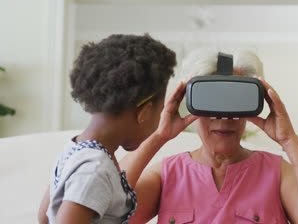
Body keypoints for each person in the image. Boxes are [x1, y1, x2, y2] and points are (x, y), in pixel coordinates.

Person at [123, 50, 298, 224]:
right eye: (212, 102)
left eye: (235, 102)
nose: (225, 117)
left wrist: (289, 140)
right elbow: (106, 211)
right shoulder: (168, 174)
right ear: (191, 104)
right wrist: (158, 137)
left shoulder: (276, 172)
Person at [38, 34, 198, 224]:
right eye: (159, 109)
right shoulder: (96, 169)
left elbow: (44, 216)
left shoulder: (75, 149)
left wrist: (160, 135)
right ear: (144, 112)